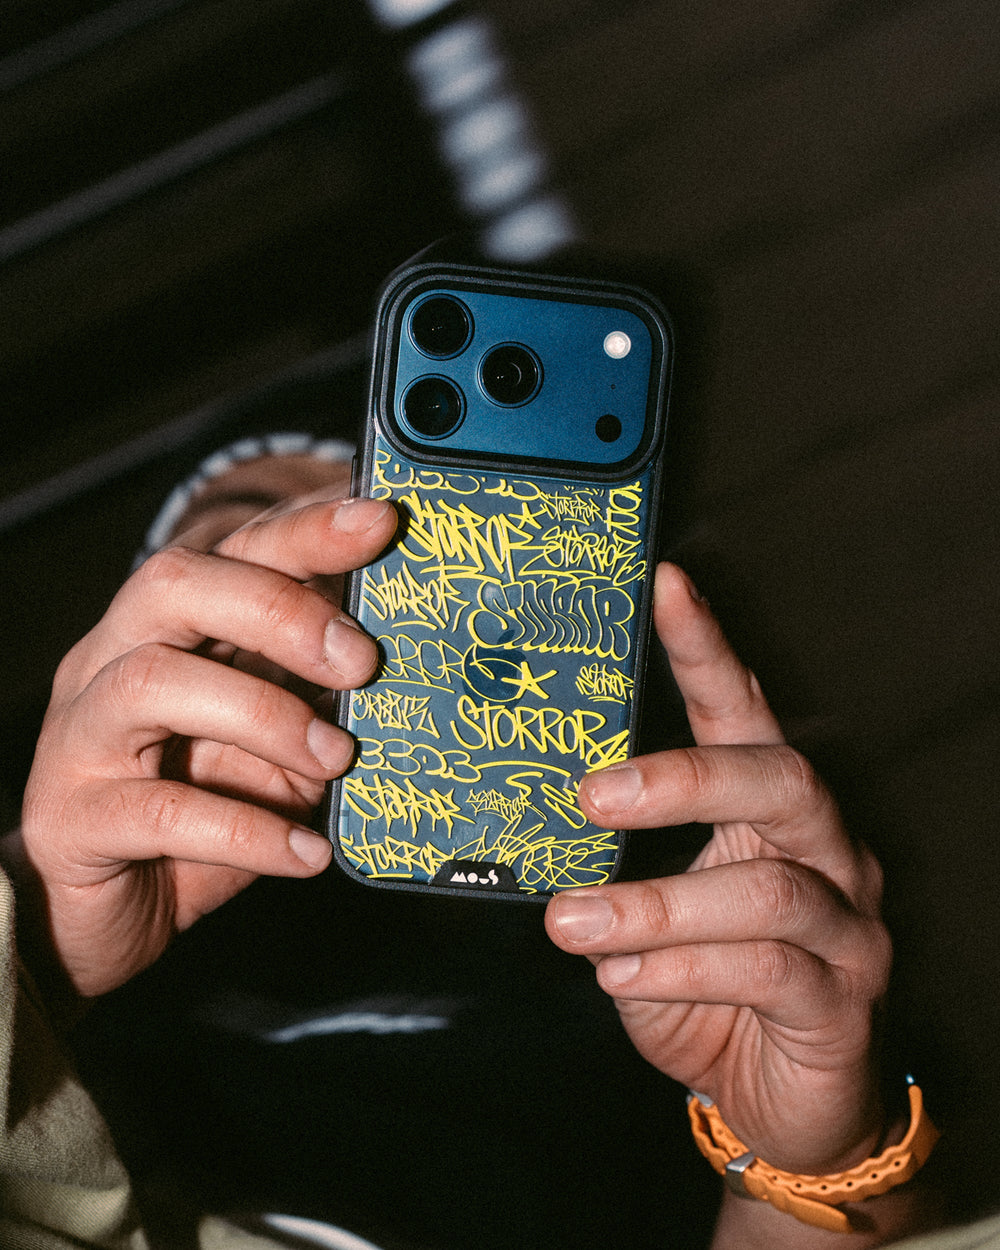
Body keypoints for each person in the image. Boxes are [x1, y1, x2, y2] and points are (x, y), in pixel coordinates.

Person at [0, 443, 980, 1249]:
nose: (344, 577)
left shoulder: (654, 988)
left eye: (424, 531)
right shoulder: (112, 985)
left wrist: (809, 1163)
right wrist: (34, 956)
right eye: (238, 525)